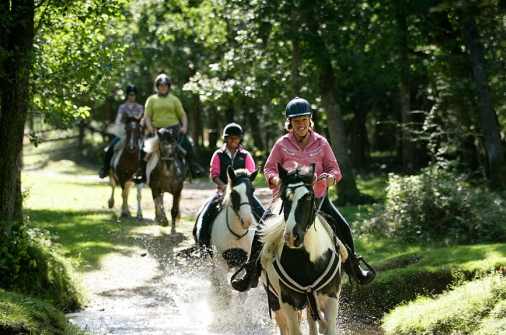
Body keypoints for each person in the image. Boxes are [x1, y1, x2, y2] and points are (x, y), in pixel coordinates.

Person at [231, 96, 375, 292]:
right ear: (289, 123)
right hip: (287, 201)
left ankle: (354, 268)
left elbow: (335, 169)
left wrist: (331, 178)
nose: (301, 124)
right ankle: (250, 272)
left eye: (304, 119)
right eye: (296, 120)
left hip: (315, 199)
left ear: (310, 120)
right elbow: (269, 169)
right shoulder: (281, 143)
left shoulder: (322, 143)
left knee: (344, 227)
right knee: (261, 229)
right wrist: (276, 180)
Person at [193, 122, 265, 252]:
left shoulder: (246, 155)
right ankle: (202, 246)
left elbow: (250, 172)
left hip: (243, 193)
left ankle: (266, 245)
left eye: (236, 138)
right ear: (226, 138)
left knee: (263, 214)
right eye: (231, 138)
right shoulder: (218, 154)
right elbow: (214, 174)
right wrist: (224, 186)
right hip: (223, 192)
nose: (234, 141)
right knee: (206, 214)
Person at [133, 73, 205, 183]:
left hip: (173, 130)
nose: (163, 87)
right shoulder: (151, 100)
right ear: (157, 87)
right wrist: (150, 127)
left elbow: (182, 115)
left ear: (168, 87)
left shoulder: (174, 99)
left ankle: (193, 167)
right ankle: (141, 172)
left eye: (165, 85)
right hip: (157, 131)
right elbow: (147, 116)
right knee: (143, 148)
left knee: (187, 145)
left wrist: (184, 127)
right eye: (161, 85)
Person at [99, 85, 144, 178]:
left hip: (135, 131)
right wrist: (118, 124)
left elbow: (142, 119)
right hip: (124, 131)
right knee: (111, 148)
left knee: (145, 149)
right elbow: (118, 119)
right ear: (127, 95)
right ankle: (106, 169)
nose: (131, 97)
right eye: (130, 95)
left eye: (133, 95)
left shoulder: (140, 107)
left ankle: (143, 171)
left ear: (135, 96)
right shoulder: (122, 107)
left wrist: (136, 124)